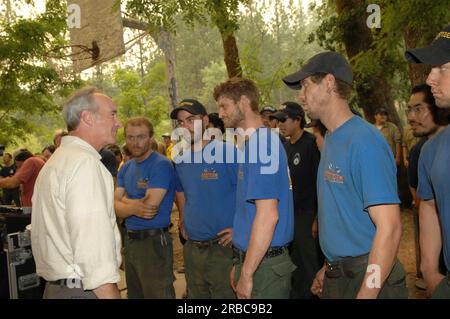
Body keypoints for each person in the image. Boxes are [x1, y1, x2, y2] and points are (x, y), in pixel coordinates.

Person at [283, 51, 407, 299]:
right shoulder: (330, 139)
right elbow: (344, 214)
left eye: (306, 85)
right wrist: (329, 268)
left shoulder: (365, 141)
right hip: (340, 275)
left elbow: (390, 227)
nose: (301, 95)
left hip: (370, 277)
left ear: (329, 83)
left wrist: (368, 292)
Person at [31, 87, 122, 299]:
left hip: (57, 289)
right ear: (88, 117)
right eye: (112, 114)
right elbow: (93, 253)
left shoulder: (56, 162)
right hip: (84, 290)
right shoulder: (84, 164)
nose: (117, 123)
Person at [214, 77, 295, 299]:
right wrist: (240, 258)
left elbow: (269, 216)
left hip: (264, 268)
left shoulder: (263, 144)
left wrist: (247, 273)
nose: (220, 114)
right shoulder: (254, 144)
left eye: (224, 106)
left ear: (243, 102)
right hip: (255, 258)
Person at [171, 98, 237, 299]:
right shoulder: (180, 159)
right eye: (181, 123)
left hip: (223, 248)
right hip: (192, 250)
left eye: (191, 120)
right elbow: (182, 191)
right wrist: (183, 218)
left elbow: (247, 192)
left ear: (206, 120)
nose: (185, 127)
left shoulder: (227, 152)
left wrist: (241, 228)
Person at [405, 24, 450, 298]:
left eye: (442, 68)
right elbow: (428, 206)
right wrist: (430, 269)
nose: (431, 79)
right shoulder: (431, 150)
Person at [114, 117, 176, 299]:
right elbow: (113, 206)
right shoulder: (126, 168)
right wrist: (134, 206)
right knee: (136, 295)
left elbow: (149, 208)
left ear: (151, 138)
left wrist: (123, 202)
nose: (135, 142)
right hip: (131, 241)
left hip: (154, 241)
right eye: (130, 137)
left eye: (141, 137)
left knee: (158, 294)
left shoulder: (161, 164)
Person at [275, 101, 324, 299]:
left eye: (284, 120)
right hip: (288, 216)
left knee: (308, 263)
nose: (280, 124)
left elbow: (321, 183)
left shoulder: (312, 144)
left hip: (307, 216)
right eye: (278, 120)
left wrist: (318, 217)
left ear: (297, 120)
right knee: (292, 264)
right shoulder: (284, 147)